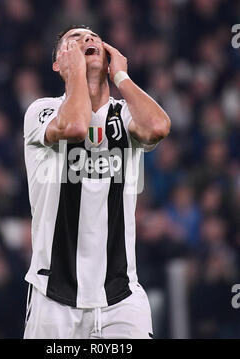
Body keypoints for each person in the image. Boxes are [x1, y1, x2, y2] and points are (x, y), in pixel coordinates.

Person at [23, 24, 170, 339]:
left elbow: (158, 126)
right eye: (73, 40)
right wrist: (75, 70)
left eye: (93, 38)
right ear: (57, 63)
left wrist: (121, 77)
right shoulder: (42, 111)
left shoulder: (124, 115)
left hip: (121, 296)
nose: (85, 39)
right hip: (54, 297)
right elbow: (76, 126)